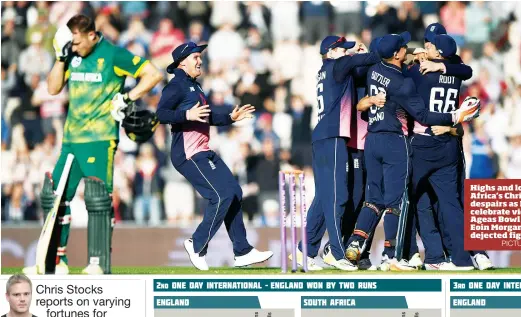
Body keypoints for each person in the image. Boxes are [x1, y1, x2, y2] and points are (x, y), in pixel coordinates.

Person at [24, 14, 163, 275]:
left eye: (77, 43)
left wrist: (128, 96)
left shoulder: (113, 54)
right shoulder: (71, 54)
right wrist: (60, 58)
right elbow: (53, 89)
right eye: (71, 43)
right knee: (55, 197)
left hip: (100, 138)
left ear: (91, 35)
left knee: (97, 199)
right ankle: (55, 262)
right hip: (71, 139)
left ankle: (98, 263)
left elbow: (152, 74)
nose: (74, 47)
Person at [345, 31, 480, 271]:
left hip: (380, 141)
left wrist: (364, 102)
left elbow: (371, 101)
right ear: (396, 54)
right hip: (406, 141)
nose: (411, 48)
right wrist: (455, 117)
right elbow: (426, 111)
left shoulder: (378, 69)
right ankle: (396, 255)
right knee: (405, 201)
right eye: (404, 47)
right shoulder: (410, 80)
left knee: (379, 199)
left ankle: (360, 242)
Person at [156, 41, 273, 271]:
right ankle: (196, 244)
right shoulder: (177, 85)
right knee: (220, 196)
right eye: (195, 56)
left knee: (235, 192)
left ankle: (242, 252)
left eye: (200, 56)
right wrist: (186, 113)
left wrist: (230, 117)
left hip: (204, 151)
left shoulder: (196, 87)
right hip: (188, 154)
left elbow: (206, 117)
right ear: (182, 61)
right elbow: (160, 114)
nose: (200, 60)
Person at [293, 35, 381, 271]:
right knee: (338, 196)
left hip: (322, 137)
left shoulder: (325, 70)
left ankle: (306, 251)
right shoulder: (338, 65)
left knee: (323, 197)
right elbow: (376, 57)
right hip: (333, 138)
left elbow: (356, 69)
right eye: (342, 49)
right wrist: (364, 52)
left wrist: (356, 54)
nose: (346, 52)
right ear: (330, 52)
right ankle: (336, 252)